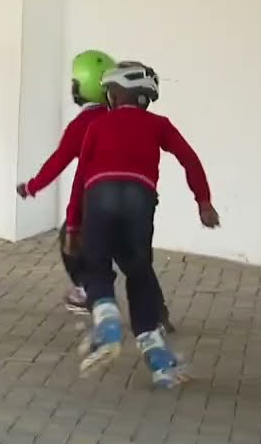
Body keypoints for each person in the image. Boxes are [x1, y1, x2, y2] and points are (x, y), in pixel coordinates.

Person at [64, 62, 220, 389]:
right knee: (139, 272)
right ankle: (158, 359)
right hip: (140, 199)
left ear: (118, 94)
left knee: (96, 264)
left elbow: (81, 177)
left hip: (100, 194)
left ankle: (107, 322)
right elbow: (190, 159)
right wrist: (203, 202)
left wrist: (75, 225)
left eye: (110, 91)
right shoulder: (159, 125)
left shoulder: (97, 125)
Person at [17, 53, 176, 332]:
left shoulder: (84, 125)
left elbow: (58, 163)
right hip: (136, 202)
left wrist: (31, 187)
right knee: (136, 262)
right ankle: (157, 314)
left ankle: (87, 290)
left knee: (73, 239)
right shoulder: (121, 116)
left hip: (96, 201)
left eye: (75, 82)